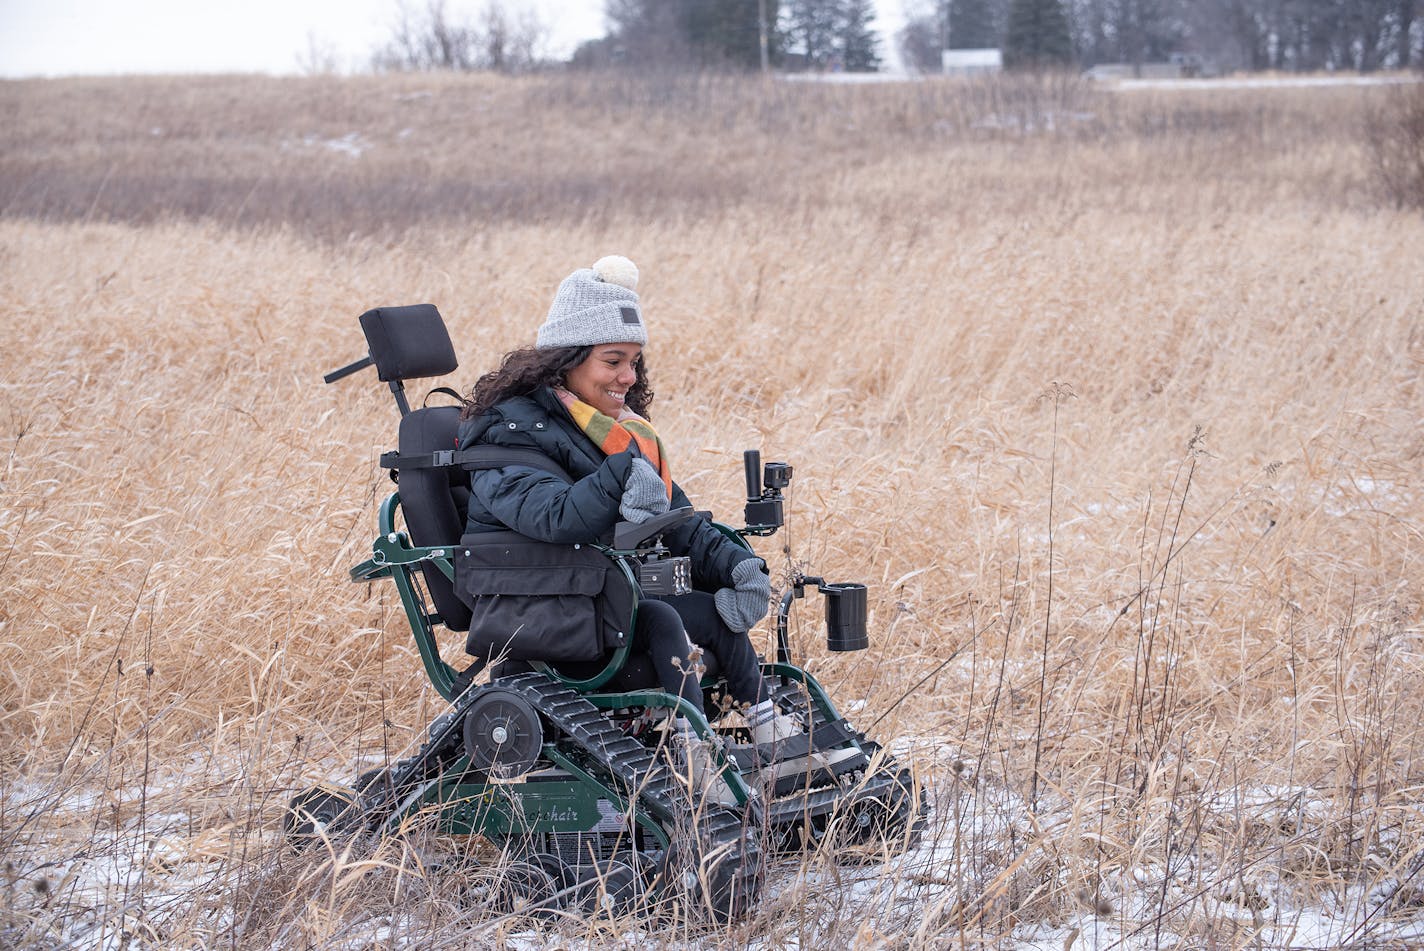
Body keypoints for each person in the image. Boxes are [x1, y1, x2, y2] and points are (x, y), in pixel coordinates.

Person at [455, 255, 801, 790]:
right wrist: (620, 475)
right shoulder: (508, 435)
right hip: (551, 614)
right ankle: (689, 748)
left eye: (634, 362)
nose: (628, 377)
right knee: (664, 619)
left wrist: (738, 564)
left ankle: (774, 741)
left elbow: (678, 518)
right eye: (613, 361)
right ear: (565, 361)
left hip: (602, 600)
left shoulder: (615, 432)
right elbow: (553, 516)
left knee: (717, 613)